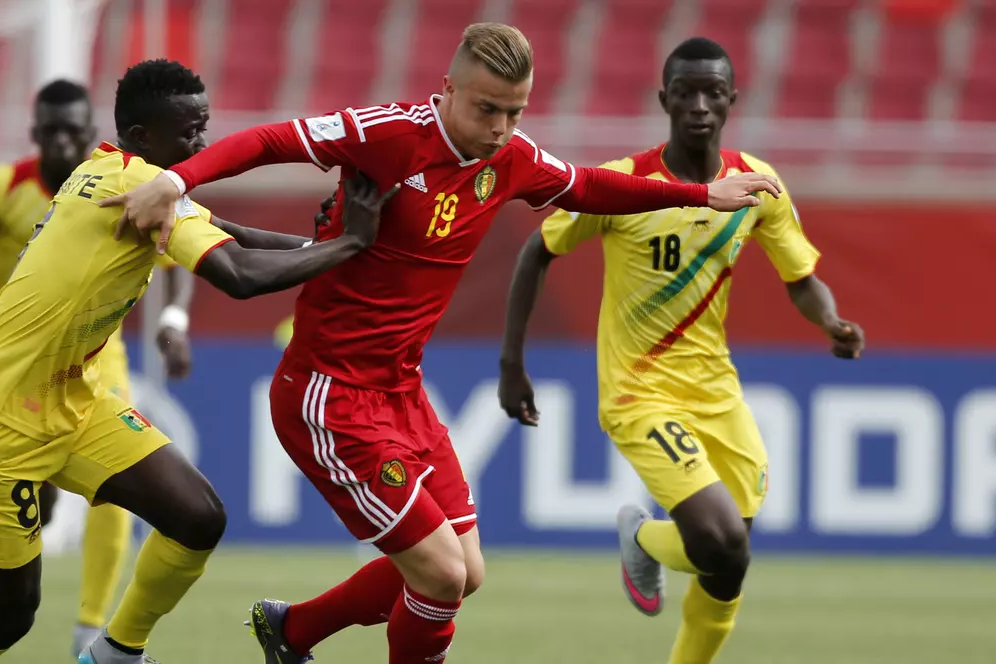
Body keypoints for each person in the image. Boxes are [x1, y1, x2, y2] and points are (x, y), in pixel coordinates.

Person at [104, 24, 784, 664]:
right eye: (488, 109)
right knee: (438, 575)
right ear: (449, 90)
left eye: (515, 112)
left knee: (466, 574)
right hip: (330, 396)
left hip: (402, 394)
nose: (502, 129)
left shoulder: (511, 159)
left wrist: (698, 193)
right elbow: (270, 141)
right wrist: (173, 180)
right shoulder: (389, 134)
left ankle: (292, 629)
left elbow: (588, 186)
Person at [0, 58, 395, 664]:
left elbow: (230, 232)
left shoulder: (114, 171)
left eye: (205, 126)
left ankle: (115, 652)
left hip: (75, 404)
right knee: (6, 617)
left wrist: (337, 251)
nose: (202, 144)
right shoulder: (133, 186)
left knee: (197, 517)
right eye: (189, 131)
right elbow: (240, 276)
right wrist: (351, 243)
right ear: (144, 137)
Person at [497, 37, 866, 664]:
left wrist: (830, 320)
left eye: (712, 93)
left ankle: (659, 577)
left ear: (731, 101)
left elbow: (800, 278)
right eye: (686, 92)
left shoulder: (758, 187)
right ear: (663, 97)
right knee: (721, 544)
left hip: (717, 393)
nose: (699, 105)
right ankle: (641, 536)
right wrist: (512, 364)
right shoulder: (621, 184)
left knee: (727, 568)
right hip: (638, 392)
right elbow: (538, 251)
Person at [0, 77, 196, 657]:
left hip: (97, 357)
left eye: (74, 129)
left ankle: (92, 630)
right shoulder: (8, 187)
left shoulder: (128, 182)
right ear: (35, 133)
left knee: (130, 488)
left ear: (93, 134)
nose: (64, 140)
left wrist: (172, 318)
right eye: (52, 130)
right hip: (14, 370)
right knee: (24, 557)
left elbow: (178, 239)